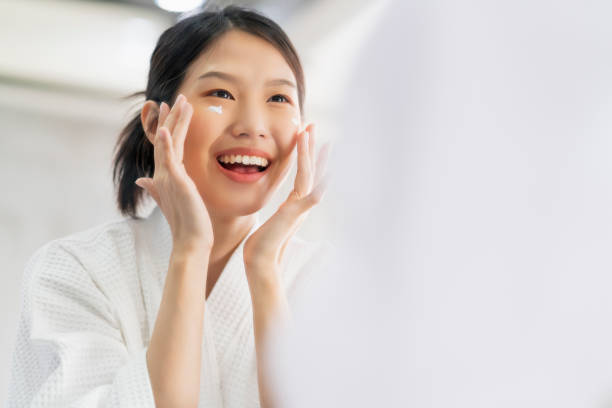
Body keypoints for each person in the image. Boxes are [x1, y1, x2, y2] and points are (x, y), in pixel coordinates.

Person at [7, 5, 331, 408]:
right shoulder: (74, 270)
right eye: (221, 93)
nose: (253, 124)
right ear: (155, 123)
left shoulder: (326, 281)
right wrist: (190, 250)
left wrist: (264, 271)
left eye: (278, 97)